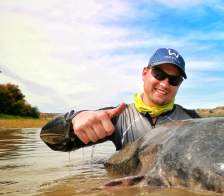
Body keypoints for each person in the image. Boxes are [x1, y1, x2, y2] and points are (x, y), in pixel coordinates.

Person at [40, 48, 200, 151]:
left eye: (174, 80)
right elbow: (51, 139)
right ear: (145, 73)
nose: (165, 84)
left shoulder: (193, 121)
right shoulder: (117, 117)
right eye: (159, 74)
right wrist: (72, 122)